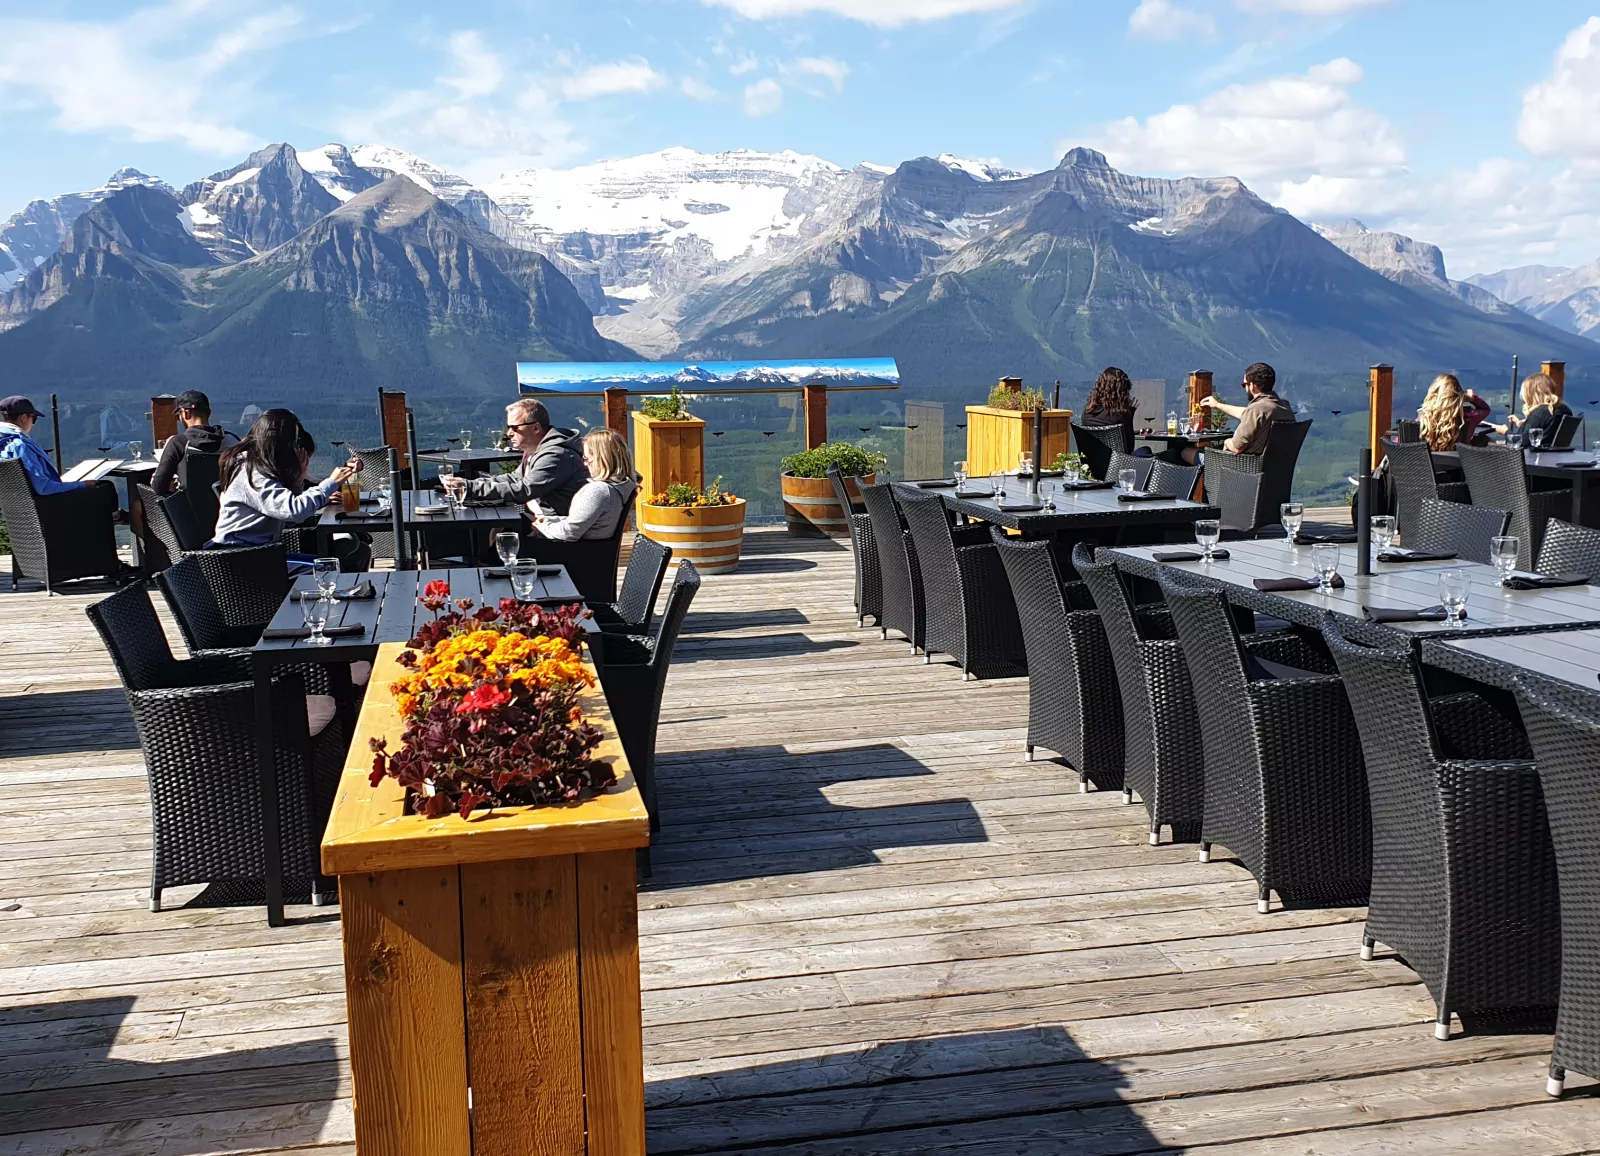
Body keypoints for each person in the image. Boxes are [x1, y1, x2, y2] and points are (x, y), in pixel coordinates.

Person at [212, 409, 364, 567]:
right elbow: (294, 511)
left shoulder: (255, 468)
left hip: (258, 553)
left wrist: (298, 481)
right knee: (326, 567)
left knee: (358, 553)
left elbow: (289, 517)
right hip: (239, 557)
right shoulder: (251, 473)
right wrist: (331, 483)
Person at [441, 399, 587, 514]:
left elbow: (523, 490)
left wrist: (470, 487)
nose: (509, 433)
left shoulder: (556, 454)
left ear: (536, 428)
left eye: (515, 428)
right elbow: (514, 478)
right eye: (508, 427)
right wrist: (469, 483)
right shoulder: (535, 450)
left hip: (558, 527)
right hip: (544, 520)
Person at [527, 428, 638, 542]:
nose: (584, 464)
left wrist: (543, 527)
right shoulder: (619, 487)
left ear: (601, 459)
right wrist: (550, 521)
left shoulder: (598, 491)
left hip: (573, 551)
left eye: (586, 458)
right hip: (594, 549)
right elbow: (579, 522)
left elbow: (570, 532)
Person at [151, 390, 236, 495]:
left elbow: (158, 488)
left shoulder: (177, 443)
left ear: (185, 413)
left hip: (188, 505)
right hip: (227, 502)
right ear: (209, 412)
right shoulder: (231, 440)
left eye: (178, 416)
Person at [1200, 362, 1295, 455]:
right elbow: (1248, 414)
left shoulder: (1256, 409)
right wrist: (1217, 405)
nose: (1245, 388)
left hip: (1246, 463)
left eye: (1244, 384)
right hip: (1276, 463)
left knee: (1191, 453)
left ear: (1252, 385)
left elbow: (1237, 447)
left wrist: (1227, 442)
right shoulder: (1283, 406)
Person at [1492, 372, 1572, 445]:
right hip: (1555, 453)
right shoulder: (1563, 409)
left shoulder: (1540, 413)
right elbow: (1546, 429)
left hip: (1535, 454)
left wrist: (1505, 432)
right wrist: (1522, 424)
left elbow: (1521, 442)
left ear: (1531, 394)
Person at [1417, 374, 1482, 451]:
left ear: (1434, 393)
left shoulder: (1424, 418)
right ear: (1459, 395)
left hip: (1429, 458)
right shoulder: (1467, 416)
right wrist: (1472, 398)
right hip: (1460, 458)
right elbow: (1485, 409)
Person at [1082, 366, 1137, 449]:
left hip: (1092, 457)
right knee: (1146, 450)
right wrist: (1130, 414)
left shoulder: (1087, 413)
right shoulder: (1120, 415)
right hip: (1117, 457)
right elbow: (1129, 448)